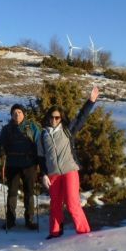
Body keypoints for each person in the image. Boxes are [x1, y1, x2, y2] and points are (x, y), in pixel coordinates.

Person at [38, 86, 100, 239]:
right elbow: (41, 156)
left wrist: (90, 102)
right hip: (53, 174)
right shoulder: (42, 135)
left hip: (69, 171)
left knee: (72, 204)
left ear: (61, 118)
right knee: (55, 205)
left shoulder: (67, 130)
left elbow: (81, 118)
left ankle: (84, 232)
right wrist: (44, 174)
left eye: (57, 117)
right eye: (52, 117)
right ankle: (55, 232)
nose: (54, 120)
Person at [0, 104, 41, 230]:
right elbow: (1, 145)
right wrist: (1, 153)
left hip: (29, 165)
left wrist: (39, 161)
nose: (17, 115)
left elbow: (39, 144)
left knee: (29, 192)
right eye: (14, 113)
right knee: (12, 193)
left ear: (24, 114)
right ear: (11, 115)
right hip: (12, 165)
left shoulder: (32, 127)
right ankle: (10, 220)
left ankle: (29, 220)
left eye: (19, 112)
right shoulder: (6, 129)